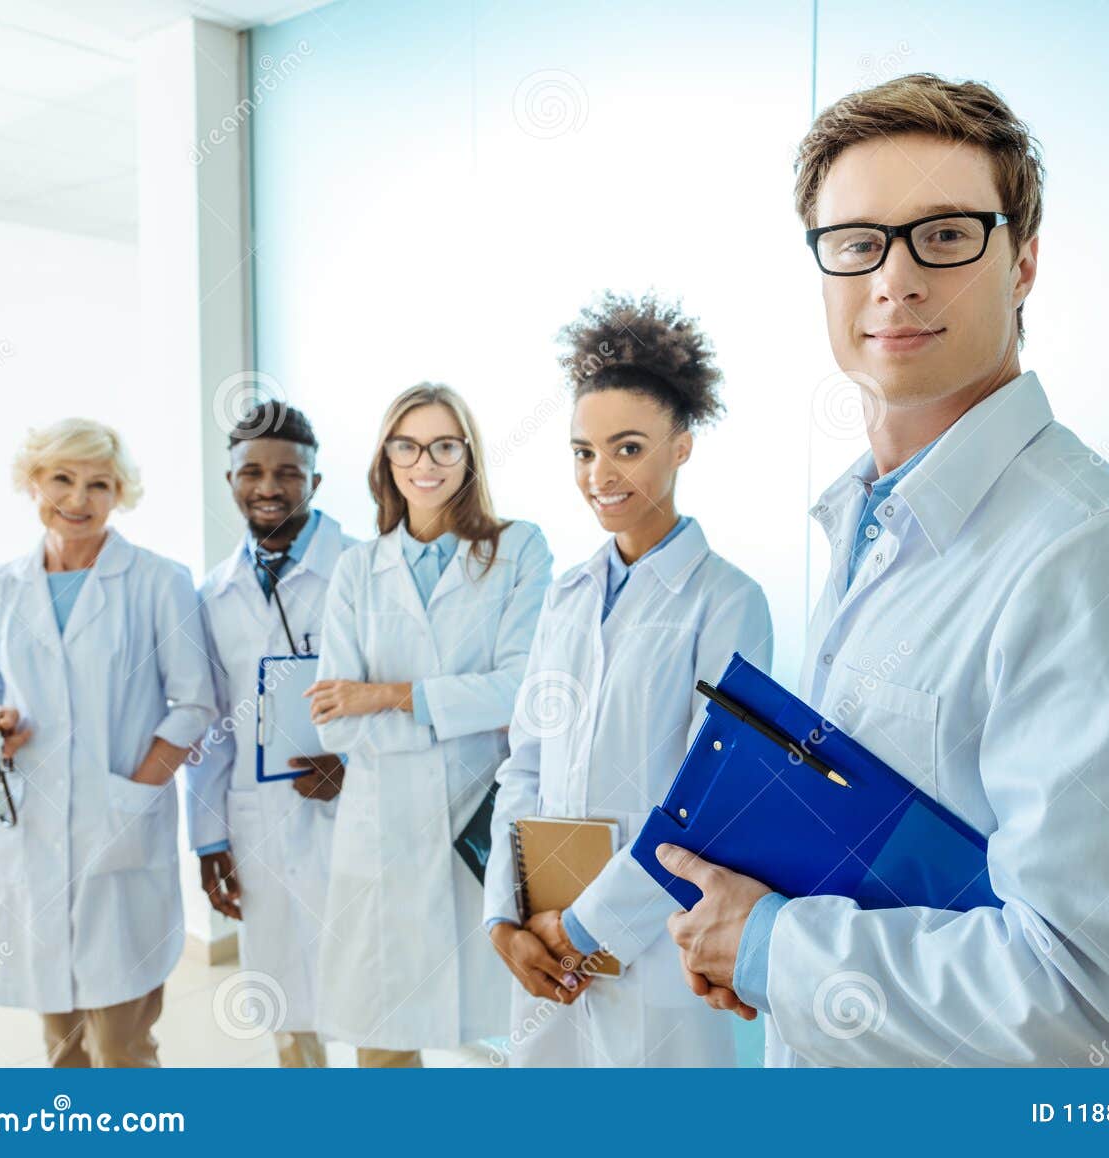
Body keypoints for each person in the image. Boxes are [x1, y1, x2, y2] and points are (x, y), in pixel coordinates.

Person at [660, 73, 1109, 1067]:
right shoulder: (873, 521)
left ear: (1023, 263)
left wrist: (771, 947)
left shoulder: (1095, 559)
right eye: (857, 244)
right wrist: (770, 934)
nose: (893, 279)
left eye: (945, 235)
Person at [483, 292, 773, 1066]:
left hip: (653, 945)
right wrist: (506, 922)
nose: (600, 475)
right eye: (583, 451)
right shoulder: (566, 595)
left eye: (628, 448)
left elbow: (709, 805)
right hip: (544, 941)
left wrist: (583, 928)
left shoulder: (728, 601)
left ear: (682, 445)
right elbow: (524, 763)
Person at [0, 418, 215, 1067]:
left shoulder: (160, 580)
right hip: (32, 828)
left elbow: (194, 702)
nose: (79, 499)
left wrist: (133, 792)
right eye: (63, 479)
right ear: (33, 483)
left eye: (99, 484)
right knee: (60, 1042)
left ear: (119, 493)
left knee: (122, 1043)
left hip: (119, 828)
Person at [309, 383, 552, 1067]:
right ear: (386, 458)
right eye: (409, 445)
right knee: (382, 1039)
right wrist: (450, 711)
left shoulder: (519, 549)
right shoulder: (357, 569)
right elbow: (333, 722)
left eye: (446, 444)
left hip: (478, 814)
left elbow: (520, 691)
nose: (427, 462)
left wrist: (385, 696)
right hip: (380, 829)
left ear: (468, 456)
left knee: (515, 1027)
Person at [188, 401, 357, 1067]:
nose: (268, 486)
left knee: (377, 996)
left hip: (354, 813)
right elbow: (208, 730)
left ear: (315, 482)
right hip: (256, 821)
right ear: (229, 481)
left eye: (288, 472)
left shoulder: (364, 570)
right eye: (251, 471)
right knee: (284, 996)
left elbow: (401, 694)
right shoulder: (211, 595)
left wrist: (354, 763)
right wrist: (209, 840)